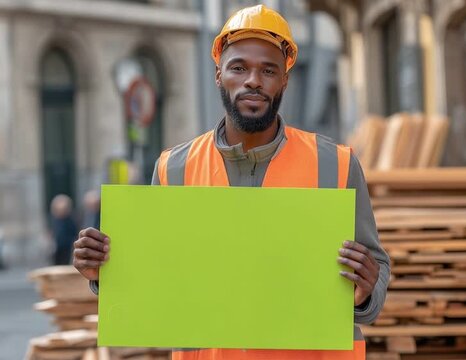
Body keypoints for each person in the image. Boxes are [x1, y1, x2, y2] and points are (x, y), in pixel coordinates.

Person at [73, 5, 390, 360]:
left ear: (284, 80)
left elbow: (375, 269)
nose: (253, 80)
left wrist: (365, 291)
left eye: (268, 70)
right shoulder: (172, 169)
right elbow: (157, 281)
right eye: (238, 67)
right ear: (219, 76)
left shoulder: (337, 164)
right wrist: (105, 274)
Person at [50, 194, 78, 265]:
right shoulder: (55, 220)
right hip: (56, 250)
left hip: (68, 249)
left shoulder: (71, 221)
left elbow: (74, 235)